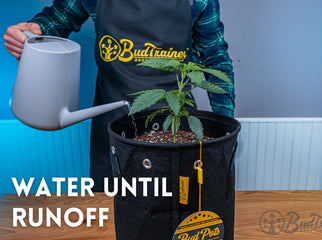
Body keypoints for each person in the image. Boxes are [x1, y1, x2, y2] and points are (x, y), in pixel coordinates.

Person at [3, 0, 235, 192]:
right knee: (111, 217)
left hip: (176, 128)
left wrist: (225, 131)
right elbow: (55, 22)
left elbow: (215, 58)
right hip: (113, 128)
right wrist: (31, 32)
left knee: (175, 213)